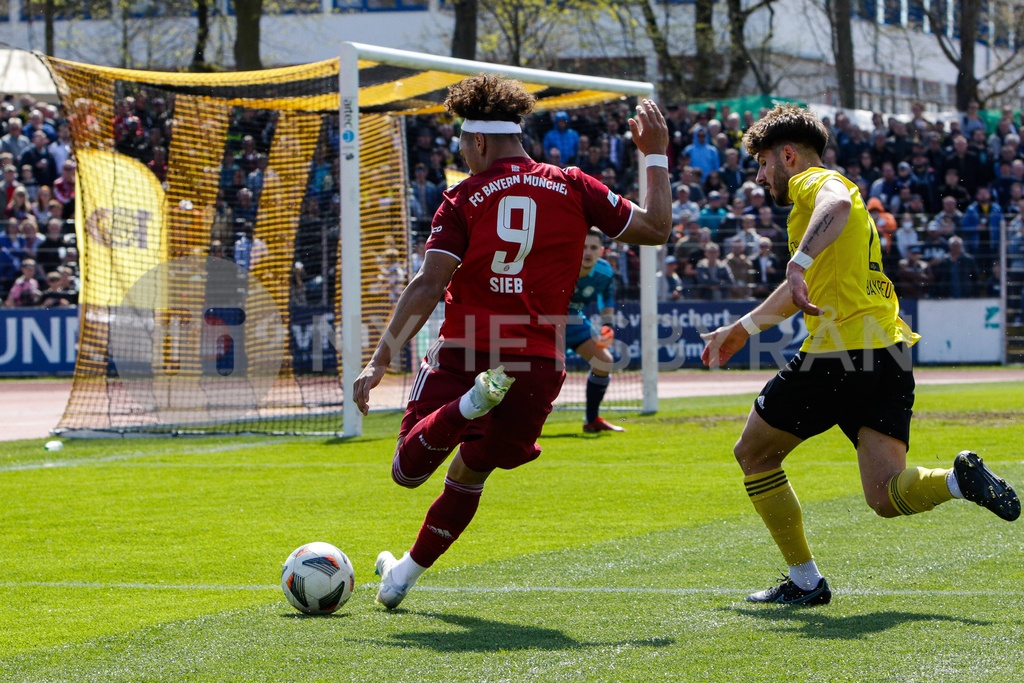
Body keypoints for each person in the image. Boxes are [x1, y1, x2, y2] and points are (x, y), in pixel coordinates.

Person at [352, 75, 671, 610]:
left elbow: (429, 284)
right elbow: (658, 228)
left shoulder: (463, 197)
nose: (461, 151)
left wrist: (379, 359)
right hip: (536, 365)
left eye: (461, 142)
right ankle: (401, 578)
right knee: (469, 476)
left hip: (465, 352)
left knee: (408, 472)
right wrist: (655, 156)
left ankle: (466, 405)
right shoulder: (574, 185)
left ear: (477, 141)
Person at [699, 104, 1019, 607]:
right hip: (887, 351)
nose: (760, 177)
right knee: (886, 495)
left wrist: (797, 263)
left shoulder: (815, 183)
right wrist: (743, 328)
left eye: (762, 163)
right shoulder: (826, 202)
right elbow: (799, 290)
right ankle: (958, 480)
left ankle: (805, 581)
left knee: (754, 454)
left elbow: (835, 208)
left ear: (787, 155)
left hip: (838, 352)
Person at [566, 228, 626, 432]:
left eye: (593, 248)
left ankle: (591, 420)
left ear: (601, 251)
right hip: (544, 322)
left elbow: (606, 297)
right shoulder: (559, 264)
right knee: (542, 372)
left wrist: (607, 325)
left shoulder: (604, 271)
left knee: (604, 361)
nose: (588, 252)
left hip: (574, 320)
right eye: (583, 247)